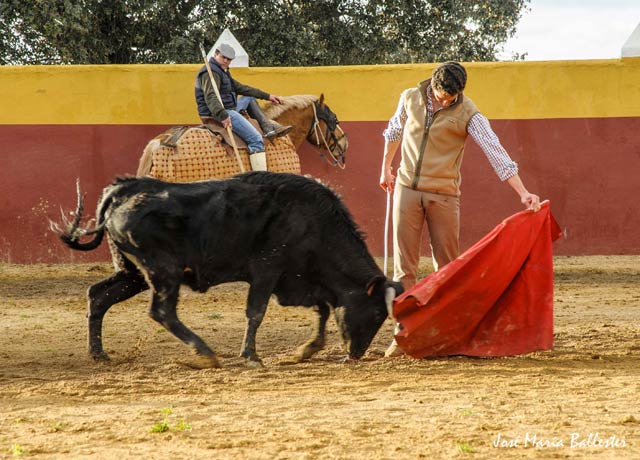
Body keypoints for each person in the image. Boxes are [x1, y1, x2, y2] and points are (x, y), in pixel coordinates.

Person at [379, 61, 541, 357]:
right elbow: (393, 132)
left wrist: (523, 193)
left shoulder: (469, 113)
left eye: (452, 99)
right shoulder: (410, 98)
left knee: (448, 266)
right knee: (405, 266)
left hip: (444, 194)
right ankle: (403, 334)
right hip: (406, 190)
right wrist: (386, 168)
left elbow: (496, 152)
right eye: (442, 96)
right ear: (433, 84)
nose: (446, 101)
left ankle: (448, 332)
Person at [194, 43, 292, 171]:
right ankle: (260, 178)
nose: (225, 61)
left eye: (228, 59)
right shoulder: (210, 72)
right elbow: (211, 97)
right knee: (256, 139)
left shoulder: (223, 71)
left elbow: (241, 88)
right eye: (223, 57)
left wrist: (268, 96)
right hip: (217, 112)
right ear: (216, 54)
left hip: (229, 107)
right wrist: (222, 115)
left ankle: (267, 128)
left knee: (249, 97)